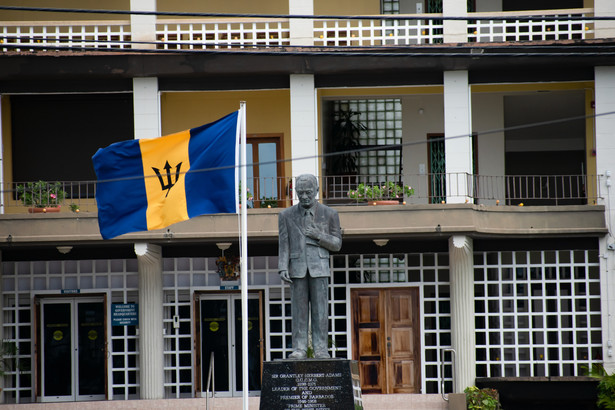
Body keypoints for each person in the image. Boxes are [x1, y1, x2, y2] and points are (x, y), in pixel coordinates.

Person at [278, 174, 342, 359]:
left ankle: (321, 348)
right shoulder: (286, 215)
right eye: (300, 193)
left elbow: (337, 244)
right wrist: (283, 266)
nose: (304, 196)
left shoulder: (329, 214)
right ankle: (299, 348)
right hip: (297, 268)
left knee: (320, 310)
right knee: (299, 311)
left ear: (316, 191)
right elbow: (284, 243)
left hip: (319, 267)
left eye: (308, 192)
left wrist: (318, 235)